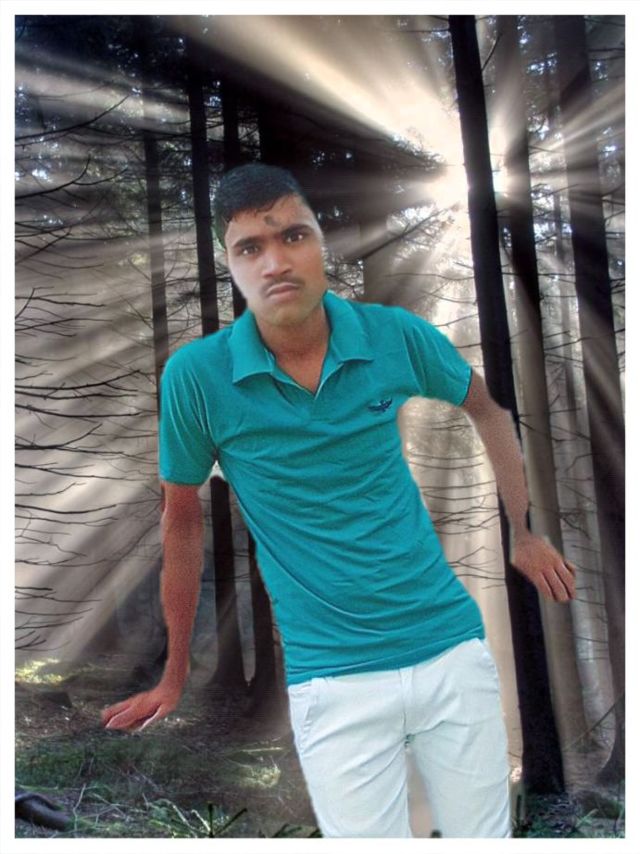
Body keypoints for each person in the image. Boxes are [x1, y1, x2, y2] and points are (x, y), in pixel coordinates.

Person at [101, 163, 576, 838]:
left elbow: (487, 410)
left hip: (449, 654)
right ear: (230, 264)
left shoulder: (393, 335)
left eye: (293, 236)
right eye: (250, 247)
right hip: (332, 680)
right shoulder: (197, 376)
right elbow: (180, 523)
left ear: (321, 241)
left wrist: (521, 531)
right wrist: (176, 674)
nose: (275, 262)